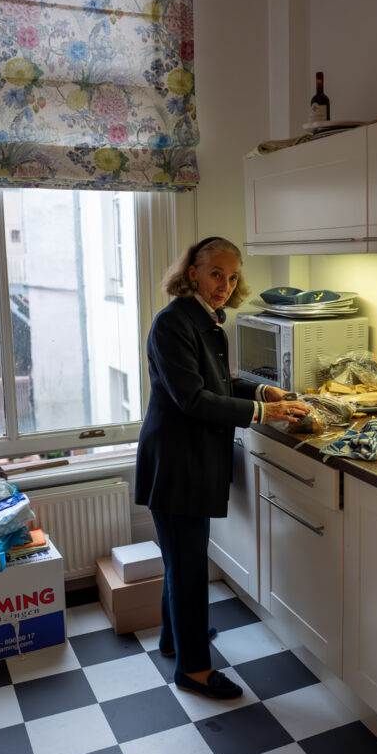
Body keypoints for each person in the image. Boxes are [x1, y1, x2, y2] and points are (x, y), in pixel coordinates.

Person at [135, 236, 310, 699]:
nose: (225, 286)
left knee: (181, 561)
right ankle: (193, 671)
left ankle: (175, 639)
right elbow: (193, 399)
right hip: (177, 462)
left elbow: (217, 382)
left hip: (188, 458)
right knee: (188, 568)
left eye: (232, 278)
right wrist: (264, 413)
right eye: (216, 274)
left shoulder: (205, 319)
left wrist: (260, 392)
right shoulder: (173, 323)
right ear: (192, 272)